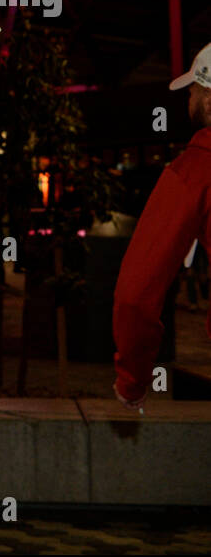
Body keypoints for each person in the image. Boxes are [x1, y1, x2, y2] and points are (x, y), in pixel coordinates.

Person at [114, 42, 211, 409]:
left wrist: (132, 380)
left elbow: (136, 294)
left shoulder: (194, 172)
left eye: (194, 91)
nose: (189, 99)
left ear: (208, 100)